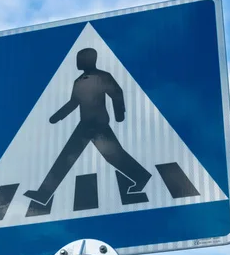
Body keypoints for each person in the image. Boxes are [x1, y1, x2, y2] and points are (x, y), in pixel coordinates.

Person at [24, 47, 152, 205]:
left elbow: (116, 93)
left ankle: (141, 176)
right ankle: (43, 194)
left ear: (89, 59)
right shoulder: (78, 81)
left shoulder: (102, 76)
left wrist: (120, 114)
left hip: (98, 124)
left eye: (81, 58)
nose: (78, 61)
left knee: (113, 156)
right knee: (67, 158)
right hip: (85, 124)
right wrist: (57, 116)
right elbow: (73, 102)